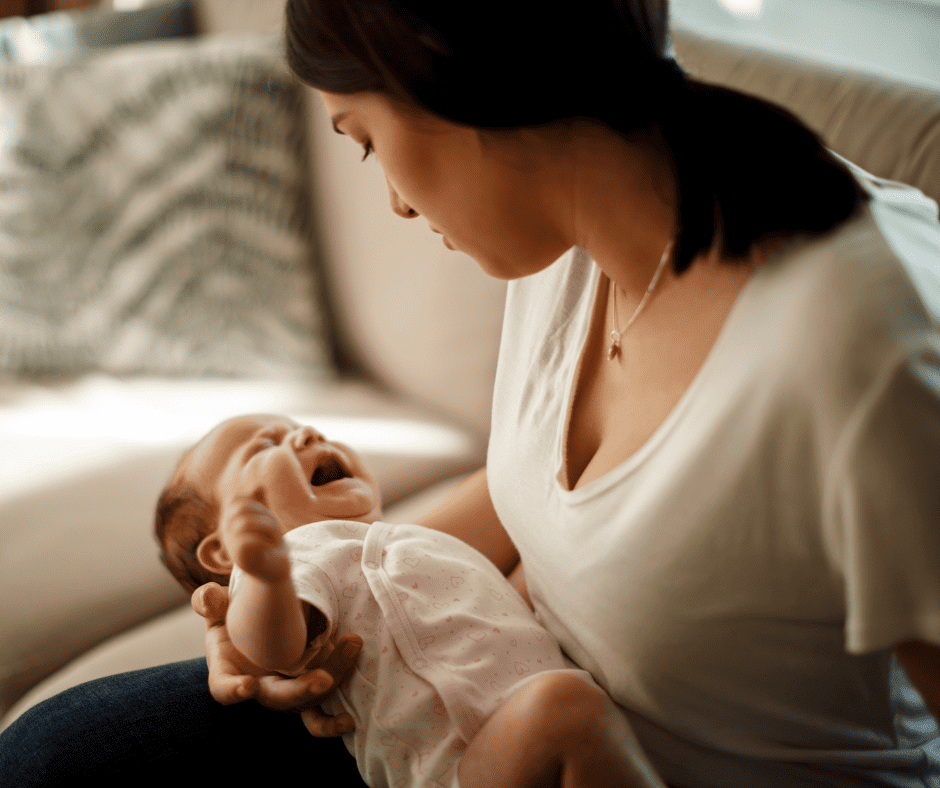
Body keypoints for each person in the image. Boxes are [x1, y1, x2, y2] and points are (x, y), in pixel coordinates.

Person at [2, 1, 939, 786]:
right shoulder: (561, 238)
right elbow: (563, 499)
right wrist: (284, 601)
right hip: (490, 713)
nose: (399, 208)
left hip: (583, 746)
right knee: (54, 754)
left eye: (363, 141)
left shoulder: (861, 344)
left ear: (439, 66)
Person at [155, 412, 638, 787]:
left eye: (303, 427)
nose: (306, 436)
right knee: (564, 708)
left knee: (571, 715)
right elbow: (274, 649)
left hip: (518, 742)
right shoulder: (300, 557)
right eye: (265, 445)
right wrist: (263, 576)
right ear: (222, 550)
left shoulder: (407, 544)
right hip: (456, 767)